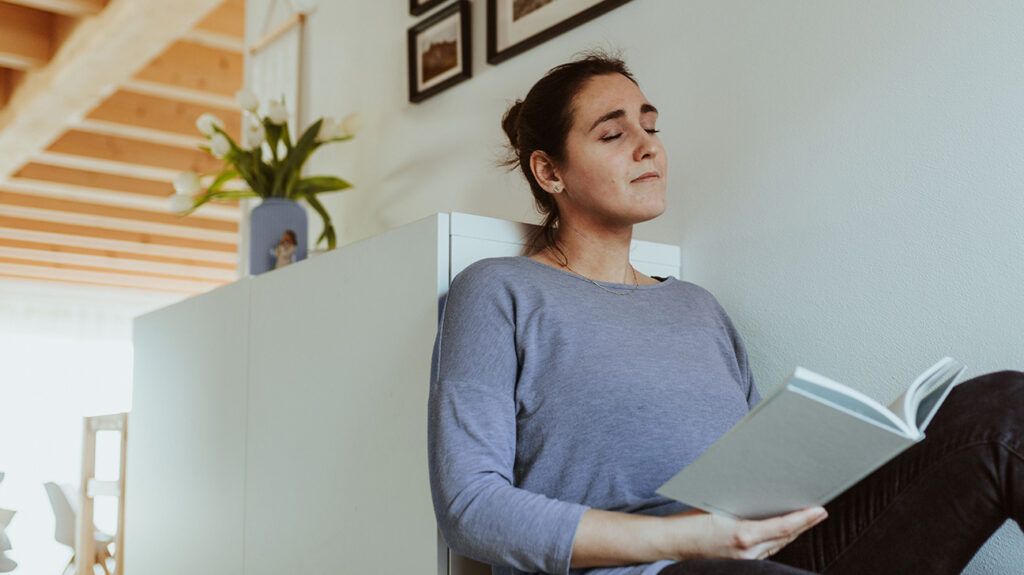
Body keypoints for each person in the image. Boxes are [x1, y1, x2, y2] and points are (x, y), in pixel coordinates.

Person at [427, 50, 1024, 575]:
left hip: (762, 556)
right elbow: (471, 509)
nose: (647, 146)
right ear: (549, 170)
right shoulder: (499, 291)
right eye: (612, 135)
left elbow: (760, 477)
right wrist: (688, 539)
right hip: (648, 572)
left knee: (1002, 410)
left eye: (651, 126)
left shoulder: (697, 307)